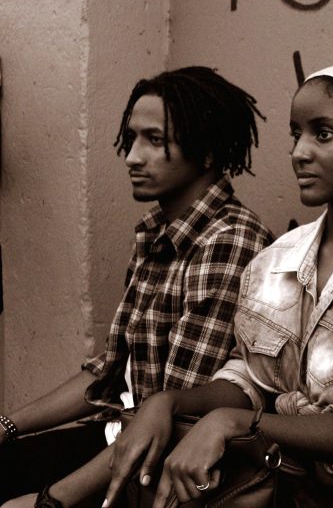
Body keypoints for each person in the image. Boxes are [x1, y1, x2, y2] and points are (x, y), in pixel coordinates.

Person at [103, 65, 333, 507]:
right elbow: (250, 376)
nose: (300, 152)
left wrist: (234, 422)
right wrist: (169, 402)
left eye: (323, 134)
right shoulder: (277, 259)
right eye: (295, 134)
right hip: (265, 485)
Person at [0, 67, 273, 507]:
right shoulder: (158, 232)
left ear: (207, 152)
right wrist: (6, 426)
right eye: (132, 138)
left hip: (170, 467)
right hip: (120, 437)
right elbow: (108, 372)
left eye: (155, 140)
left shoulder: (227, 242)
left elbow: (175, 418)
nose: (132, 156)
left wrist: (50, 501)